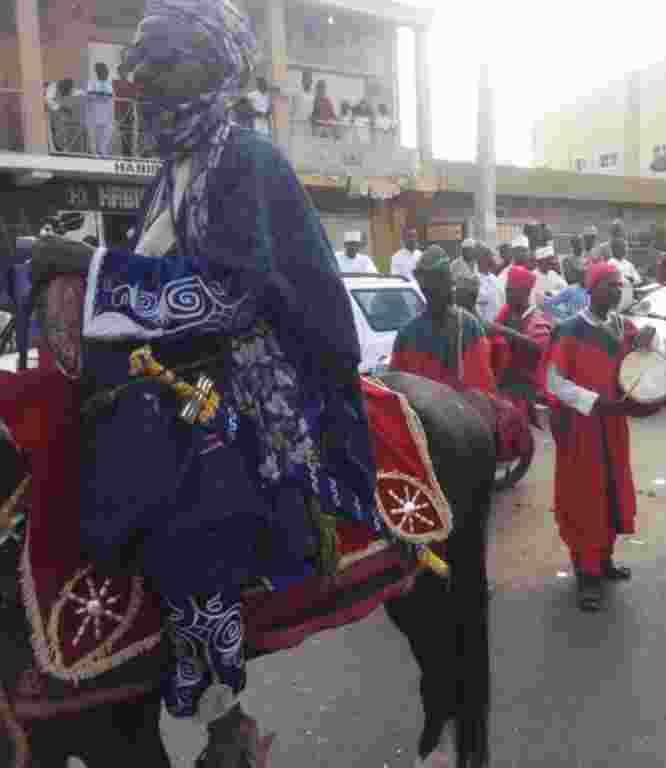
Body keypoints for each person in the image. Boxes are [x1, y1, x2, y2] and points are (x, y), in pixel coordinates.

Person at [75, 0, 379, 754]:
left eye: (162, 62)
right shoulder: (170, 170)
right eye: (139, 65)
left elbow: (235, 292)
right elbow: (160, 280)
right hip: (182, 364)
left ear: (212, 69)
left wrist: (101, 279)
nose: (141, 81)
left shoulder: (247, 157)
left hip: (260, 371)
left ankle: (221, 712)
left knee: (186, 517)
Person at [546, 262, 657, 611]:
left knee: (611, 489)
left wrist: (645, 345)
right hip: (582, 427)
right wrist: (595, 403)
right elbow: (554, 383)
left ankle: (604, 559)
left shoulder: (623, 328)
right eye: (610, 284)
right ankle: (587, 573)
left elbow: (645, 368)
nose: (616, 290)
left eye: (619, 285)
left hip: (613, 427)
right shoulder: (569, 330)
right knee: (584, 497)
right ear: (591, 289)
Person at [391, 245, 496, 392]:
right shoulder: (407, 334)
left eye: (438, 283)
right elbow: (397, 389)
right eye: (430, 285)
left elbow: (481, 390)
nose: (431, 290)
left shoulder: (467, 327)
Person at [492, 266, 552, 419]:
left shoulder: (537, 321)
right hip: (504, 391)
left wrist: (504, 332)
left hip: (527, 395)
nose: (507, 295)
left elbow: (538, 349)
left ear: (525, 293)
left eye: (511, 291)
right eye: (507, 290)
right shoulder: (506, 314)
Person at [543, 254, 590, 323]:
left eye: (587, 273)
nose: (586, 276)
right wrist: (565, 317)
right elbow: (548, 304)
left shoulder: (593, 290)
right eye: (582, 274)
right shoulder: (570, 290)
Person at [85, 62, 115, 157]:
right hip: (94, 114)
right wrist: (101, 95)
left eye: (106, 71)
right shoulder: (92, 83)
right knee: (93, 136)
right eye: (103, 71)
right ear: (98, 72)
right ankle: (94, 153)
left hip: (106, 115)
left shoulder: (109, 84)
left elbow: (110, 96)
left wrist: (101, 95)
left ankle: (103, 151)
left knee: (107, 132)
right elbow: (90, 95)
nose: (106, 73)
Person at [112, 63, 139, 155]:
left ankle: (127, 155)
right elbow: (113, 95)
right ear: (119, 72)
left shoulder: (132, 85)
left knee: (128, 135)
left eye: (126, 71)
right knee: (118, 135)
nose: (124, 73)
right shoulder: (114, 83)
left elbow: (135, 96)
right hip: (119, 112)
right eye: (122, 71)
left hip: (129, 113)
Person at [476, 244, 504, 323]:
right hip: (485, 329)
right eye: (490, 255)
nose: (493, 258)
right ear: (481, 258)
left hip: (500, 326)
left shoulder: (495, 279)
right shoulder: (474, 280)